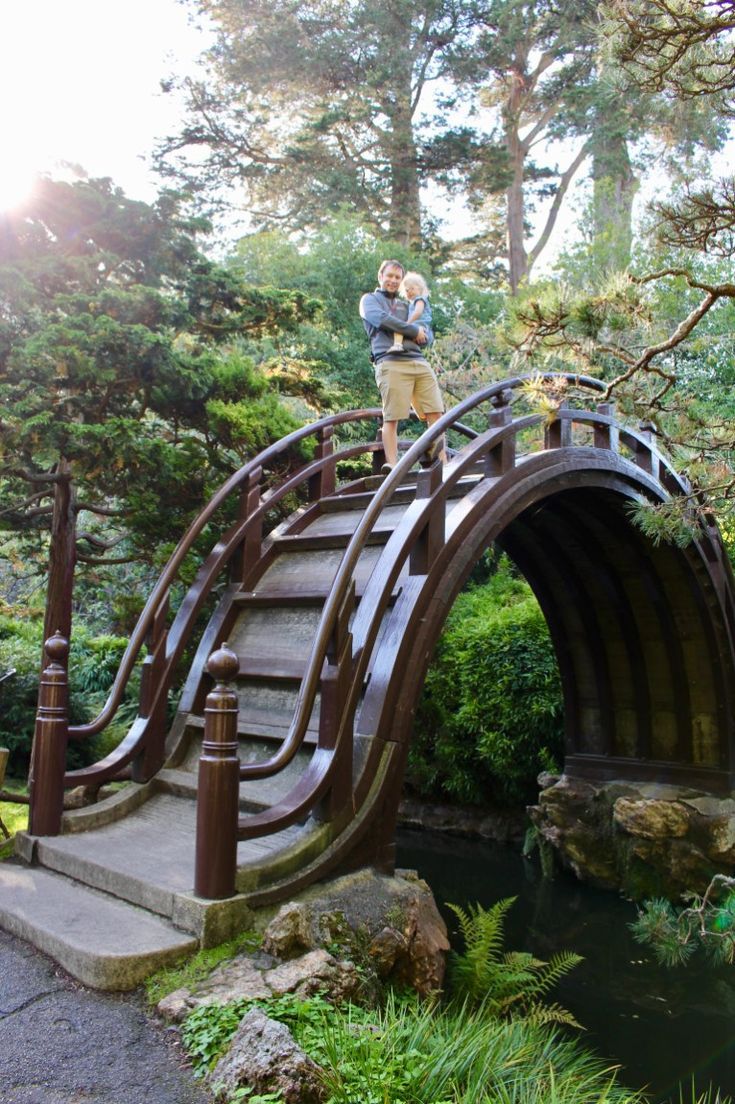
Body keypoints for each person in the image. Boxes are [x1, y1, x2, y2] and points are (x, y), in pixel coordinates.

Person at [359, 259, 445, 474]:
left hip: (419, 361)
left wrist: (419, 333)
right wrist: (412, 331)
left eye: (398, 277)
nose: (393, 280)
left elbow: (427, 333)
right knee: (392, 416)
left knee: (436, 412)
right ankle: (393, 466)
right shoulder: (370, 300)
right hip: (390, 362)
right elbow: (380, 319)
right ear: (381, 276)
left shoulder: (407, 303)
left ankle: (443, 462)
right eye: (389, 276)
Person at [386, 271, 433, 353]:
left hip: (421, 326)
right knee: (399, 330)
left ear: (420, 288)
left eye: (412, 288)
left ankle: (398, 345)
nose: (409, 291)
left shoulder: (420, 299)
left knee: (399, 328)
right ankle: (399, 345)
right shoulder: (410, 304)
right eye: (407, 290)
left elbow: (418, 312)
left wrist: (407, 323)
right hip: (417, 328)